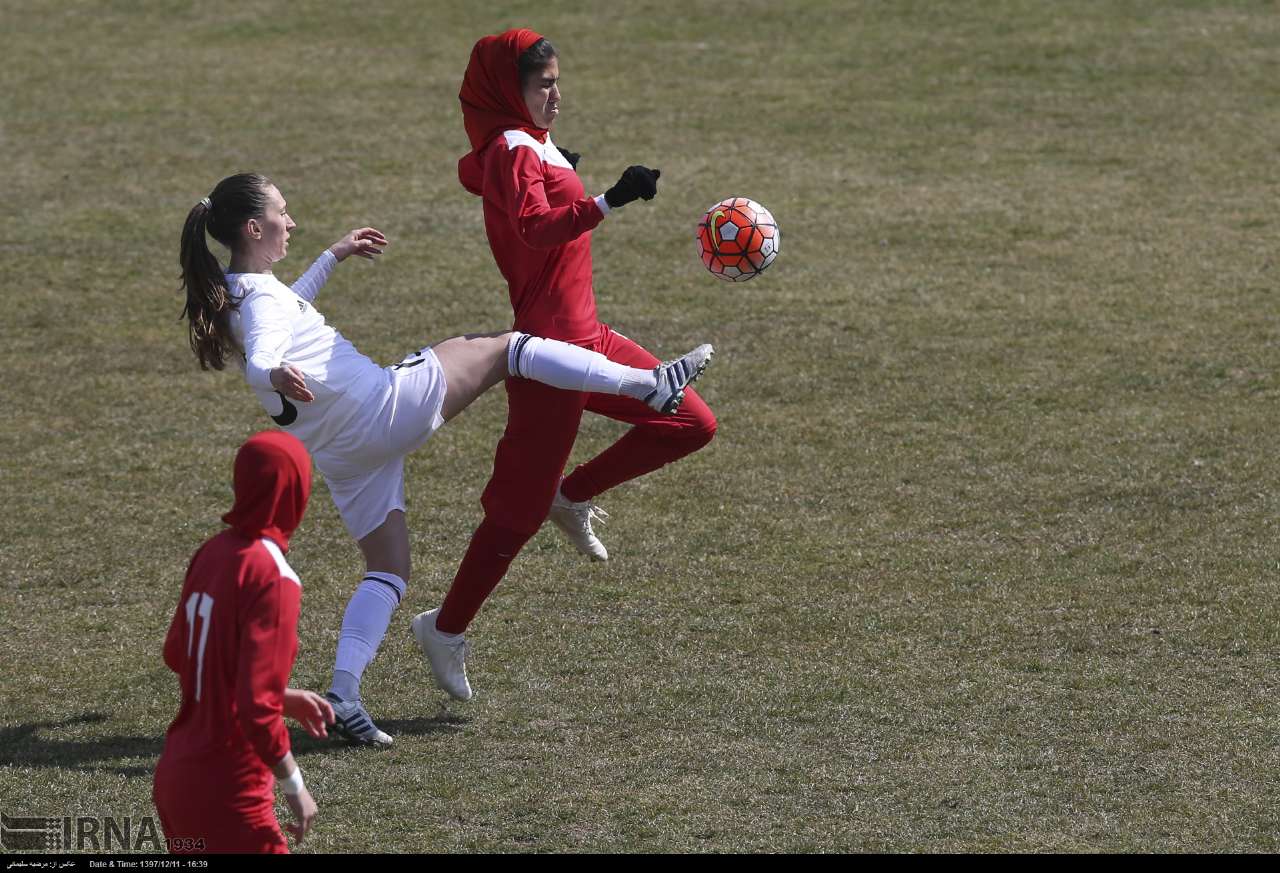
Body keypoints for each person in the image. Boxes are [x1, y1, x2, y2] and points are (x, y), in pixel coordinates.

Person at [178, 172, 711, 743]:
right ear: (255, 227)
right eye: (284, 213)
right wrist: (273, 371)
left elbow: (285, 306)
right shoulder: (258, 305)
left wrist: (333, 256)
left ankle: (344, 694)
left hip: (344, 454)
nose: (292, 222)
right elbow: (264, 350)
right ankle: (647, 386)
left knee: (388, 569)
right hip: (383, 408)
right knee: (510, 347)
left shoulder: (238, 293)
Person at [411, 29, 717, 701]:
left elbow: (479, 173)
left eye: (556, 80)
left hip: (590, 336)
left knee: (691, 422)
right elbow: (532, 227)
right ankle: (444, 627)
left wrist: (556, 166)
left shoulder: (514, 146)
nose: (556, 94)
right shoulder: (514, 150)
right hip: (550, 357)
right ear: (509, 91)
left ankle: (571, 496)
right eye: (541, 84)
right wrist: (608, 196)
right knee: (513, 517)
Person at [153, 430, 334, 854]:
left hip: (176, 778)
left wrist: (279, 696)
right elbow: (255, 710)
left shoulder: (212, 552)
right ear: (295, 492)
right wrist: (295, 786)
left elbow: (179, 654)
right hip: (231, 790)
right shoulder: (275, 578)